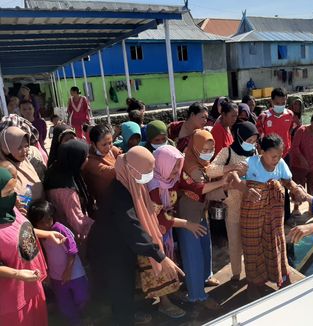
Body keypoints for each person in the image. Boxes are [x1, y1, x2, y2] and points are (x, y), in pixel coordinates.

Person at [87, 146, 183, 326]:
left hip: (121, 248)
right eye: (146, 171)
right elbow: (133, 227)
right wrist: (160, 257)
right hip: (111, 252)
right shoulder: (119, 195)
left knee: (125, 289)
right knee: (121, 291)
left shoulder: (130, 183)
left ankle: (126, 316)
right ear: (132, 169)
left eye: (151, 170)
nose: (149, 175)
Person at [227, 134, 301, 297]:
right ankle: (254, 283)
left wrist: (297, 190)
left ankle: (281, 276)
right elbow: (233, 176)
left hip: (274, 215)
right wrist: (245, 189)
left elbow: (288, 181)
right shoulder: (251, 163)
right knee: (252, 246)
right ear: (261, 151)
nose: (277, 159)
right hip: (251, 213)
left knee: (276, 242)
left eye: (280, 155)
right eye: (273, 156)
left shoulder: (280, 163)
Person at [147, 145, 208, 318]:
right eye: (173, 166)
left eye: (178, 165)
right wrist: (187, 224)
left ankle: (172, 294)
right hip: (155, 233)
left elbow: (193, 188)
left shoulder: (170, 180)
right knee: (158, 267)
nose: (177, 170)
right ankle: (164, 303)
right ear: (162, 164)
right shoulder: (153, 186)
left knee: (169, 263)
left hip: (166, 231)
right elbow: (159, 218)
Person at [0, 167, 66, 326]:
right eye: (8, 192)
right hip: (12, 298)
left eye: (13, 189)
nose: (14, 196)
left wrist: (47, 234)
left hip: (32, 284)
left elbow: (19, 231)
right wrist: (19, 274)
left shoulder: (8, 208)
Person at [177, 130, 228, 309]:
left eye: (212, 147)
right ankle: (196, 296)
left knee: (205, 247)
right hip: (188, 214)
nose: (209, 151)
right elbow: (199, 187)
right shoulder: (188, 164)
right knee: (193, 255)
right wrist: (223, 182)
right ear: (196, 146)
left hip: (200, 211)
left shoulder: (200, 161)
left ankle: (205, 277)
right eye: (205, 148)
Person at [207, 122, 258, 281]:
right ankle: (236, 274)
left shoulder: (254, 152)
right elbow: (210, 169)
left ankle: (253, 273)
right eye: (249, 140)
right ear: (240, 137)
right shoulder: (227, 152)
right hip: (233, 205)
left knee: (252, 242)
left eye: (254, 140)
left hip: (252, 204)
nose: (252, 144)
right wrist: (230, 167)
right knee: (235, 243)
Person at [27, 200, 89, 326]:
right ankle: (75, 321)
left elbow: (72, 251)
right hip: (56, 276)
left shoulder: (60, 230)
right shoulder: (40, 235)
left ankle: (82, 314)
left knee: (82, 296)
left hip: (74, 273)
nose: (46, 224)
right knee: (64, 303)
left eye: (48, 220)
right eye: (41, 223)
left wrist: (68, 271)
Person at [256, 87, 298, 222]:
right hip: (269, 157)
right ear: (271, 101)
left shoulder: (290, 114)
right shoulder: (263, 117)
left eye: (283, 102)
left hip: (285, 154)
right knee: (269, 184)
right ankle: (267, 215)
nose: (280, 105)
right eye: (278, 103)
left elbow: (292, 131)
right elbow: (259, 137)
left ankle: (286, 215)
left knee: (285, 183)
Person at [44, 140, 95, 240]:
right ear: (75, 159)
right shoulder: (68, 192)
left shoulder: (56, 168)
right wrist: (101, 225)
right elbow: (78, 222)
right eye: (86, 157)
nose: (88, 159)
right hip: (70, 236)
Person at [290, 112, 313, 217]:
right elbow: (295, 147)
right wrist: (302, 159)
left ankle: (312, 208)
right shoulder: (301, 130)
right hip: (298, 164)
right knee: (298, 187)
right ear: (311, 122)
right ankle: (296, 208)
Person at [0, 126, 44, 207]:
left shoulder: (26, 163)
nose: (24, 151)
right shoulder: (4, 172)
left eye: (26, 146)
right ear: (7, 148)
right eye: (19, 147)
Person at [82, 124, 122, 204]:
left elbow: (122, 156)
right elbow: (110, 172)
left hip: (117, 192)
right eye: (104, 144)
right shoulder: (89, 160)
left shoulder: (111, 149)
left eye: (110, 142)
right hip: (104, 200)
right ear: (94, 144)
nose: (108, 147)